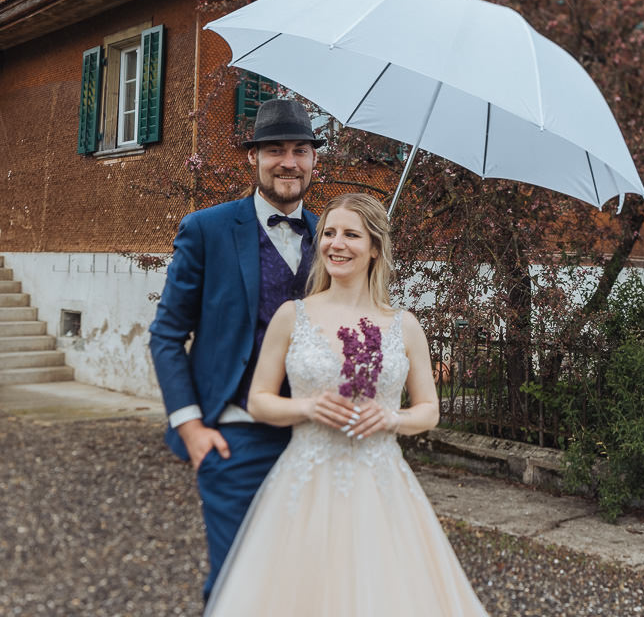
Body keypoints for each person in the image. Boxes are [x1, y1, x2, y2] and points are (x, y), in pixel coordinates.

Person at [203, 193, 488, 616]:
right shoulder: (291, 316)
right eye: (329, 233)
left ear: (374, 248)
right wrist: (308, 408)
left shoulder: (404, 326)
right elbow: (259, 401)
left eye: (351, 234)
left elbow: (429, 410)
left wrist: (391, 417)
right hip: (304, 482)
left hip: (381, 484)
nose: (337, 244)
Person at [148, 97, 326, 599]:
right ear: (253, 158)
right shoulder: (207, 229)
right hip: (234, 438)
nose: (288, 162)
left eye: (299, 150)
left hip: (316, 442)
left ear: (314, 160)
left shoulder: (331, 238)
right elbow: (166, 334)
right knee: (237, 584)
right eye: (274, 150)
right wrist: (192, 428)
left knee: (302, 585)